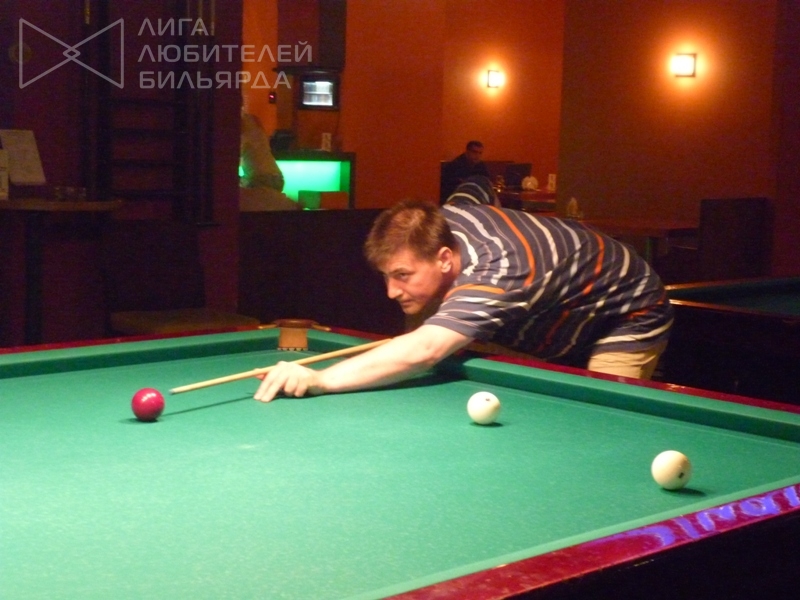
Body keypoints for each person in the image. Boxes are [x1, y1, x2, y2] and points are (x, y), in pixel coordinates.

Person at [254, 177, 673, 402]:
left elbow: (424, 350)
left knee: (599, 407)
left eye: (402, 275)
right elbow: (475, 184)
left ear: (444, 259)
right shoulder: (443, 221)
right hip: (553, 310)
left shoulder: (498, 270)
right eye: (386, 276)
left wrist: (321, 379)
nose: (391, 291)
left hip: (626, 313)